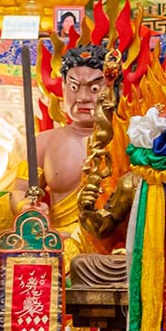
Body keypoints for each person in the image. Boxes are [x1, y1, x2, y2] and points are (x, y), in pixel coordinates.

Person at [13, 43, 107, 265]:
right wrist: (26, 208)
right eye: (74, 87)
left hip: (107, 245)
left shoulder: (127, 142)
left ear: (112, 89)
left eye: (94, 88)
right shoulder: (43, 143)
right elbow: (19, 190)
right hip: (58, 243)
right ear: (63, 87)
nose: (82, 98)